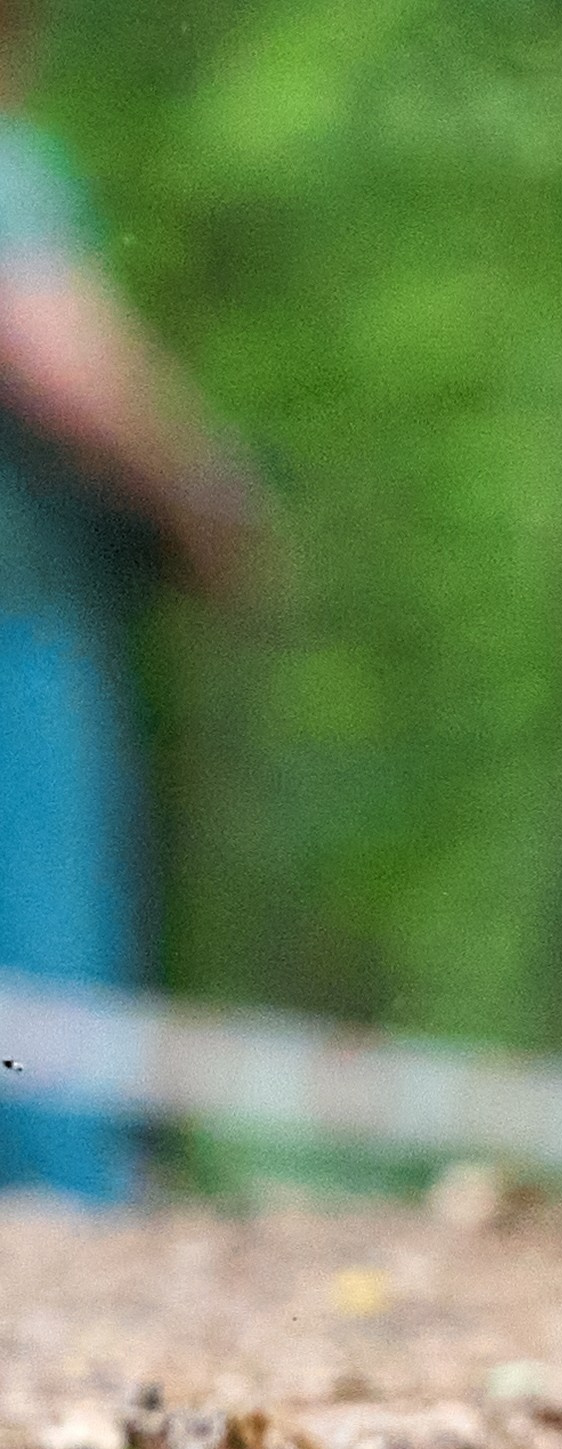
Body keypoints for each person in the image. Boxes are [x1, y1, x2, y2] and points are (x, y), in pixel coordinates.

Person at [0, 13, 262, 1203]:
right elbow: (58, 353)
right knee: (40, 907)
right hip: (20, 609)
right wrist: (203, 491)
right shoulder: (9, 168)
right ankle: (61, 1186)